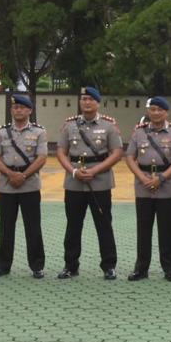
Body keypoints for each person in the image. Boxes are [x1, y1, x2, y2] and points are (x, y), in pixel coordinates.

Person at [56, 86, 123, 281]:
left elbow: (117, 152)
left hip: (99, 180)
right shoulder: (69, 125)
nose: (86, 102)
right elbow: (61, 151)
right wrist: (74, 171)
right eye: (83, 99)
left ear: (97, 103)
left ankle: (109, 266)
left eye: (90, 99)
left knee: (104, 225)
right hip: (75, 180)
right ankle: (70, 265)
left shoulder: (108, 125)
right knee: (73, 225)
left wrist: (95, 170)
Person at [125, 96, 171, 281]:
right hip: (143, 185)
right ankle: (141, 268)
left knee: (167, 229)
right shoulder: (139, 132)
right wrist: (141, 177)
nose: (156, 113)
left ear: (166, 112)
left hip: (166, 185)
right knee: (143, 229)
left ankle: (169, 268)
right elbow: (129, 157)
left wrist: (162, 178)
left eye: (160, 110)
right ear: (149, 112)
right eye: (153, 109)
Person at [0, 94, 48, 278]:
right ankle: (3, 265)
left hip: (29, 183)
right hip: (7, 184)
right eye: (15, 108)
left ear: (29, 110)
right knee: (6, 227)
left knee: (33, 227)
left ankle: (37, 266)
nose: (18, 110)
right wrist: (10, 174)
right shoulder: (2, 132)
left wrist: (23, 175)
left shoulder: (39, 132)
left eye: (22, 108)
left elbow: (42, 157)